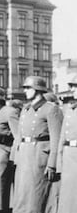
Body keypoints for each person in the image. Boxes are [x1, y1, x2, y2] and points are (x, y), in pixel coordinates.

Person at [13, 76, 63, 213]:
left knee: (35, 197)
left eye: (29, 88)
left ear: (38, 89)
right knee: (21, 196)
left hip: (39, 157)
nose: (25, 91)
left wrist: (52, 164)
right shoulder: (26, 109)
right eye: (25, 88)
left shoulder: (51, 109)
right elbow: (19, 136)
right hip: (24, 156)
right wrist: (15, 158)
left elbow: (56, 139)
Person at [57, 75, 77, 212]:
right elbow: (62, 139)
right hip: (69, 157)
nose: (73, 90)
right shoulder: (70, 110)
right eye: (73, 87)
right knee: (68, 196)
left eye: (76, 87)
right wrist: (59, 162)